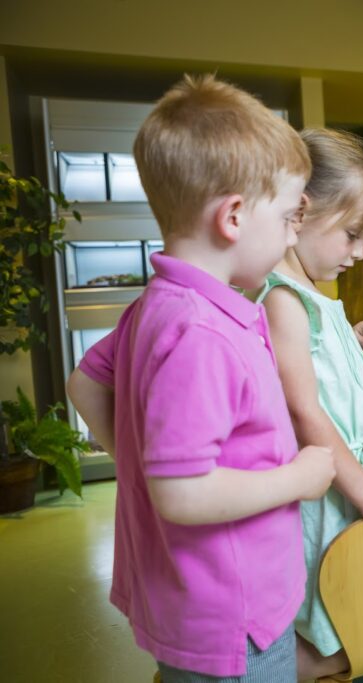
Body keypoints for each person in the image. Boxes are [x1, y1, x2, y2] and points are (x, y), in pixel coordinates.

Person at [64, 74, 337, 682]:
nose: (293, 234)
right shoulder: (202, 333)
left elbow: (84, 383)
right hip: (231, 616)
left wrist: (140, 464)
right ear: (234, 216)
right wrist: (298, 477)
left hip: (197, 599)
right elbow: (183, 494)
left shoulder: (159, 306)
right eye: (288, 217)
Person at [258, 128, 363, 680]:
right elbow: (304, 411)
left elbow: (314, 368)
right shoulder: (283, 299)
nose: (358, 253)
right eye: (352, 235)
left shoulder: (309, 296)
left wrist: (347, 339)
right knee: (350, 635)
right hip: (335, 490)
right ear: (301, 211)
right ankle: (262, 670)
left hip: (351, 479)